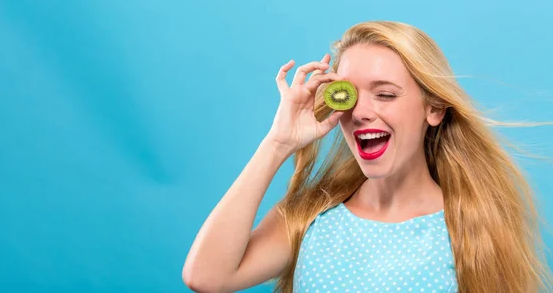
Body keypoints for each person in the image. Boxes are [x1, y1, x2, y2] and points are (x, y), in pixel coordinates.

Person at [182, 21, 553, 293]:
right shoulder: (310, 215)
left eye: (386, 95)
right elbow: (206, 277)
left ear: (434, 109)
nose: (360, 112)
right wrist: (278, 143)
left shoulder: (471, 224)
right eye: (349, 94)